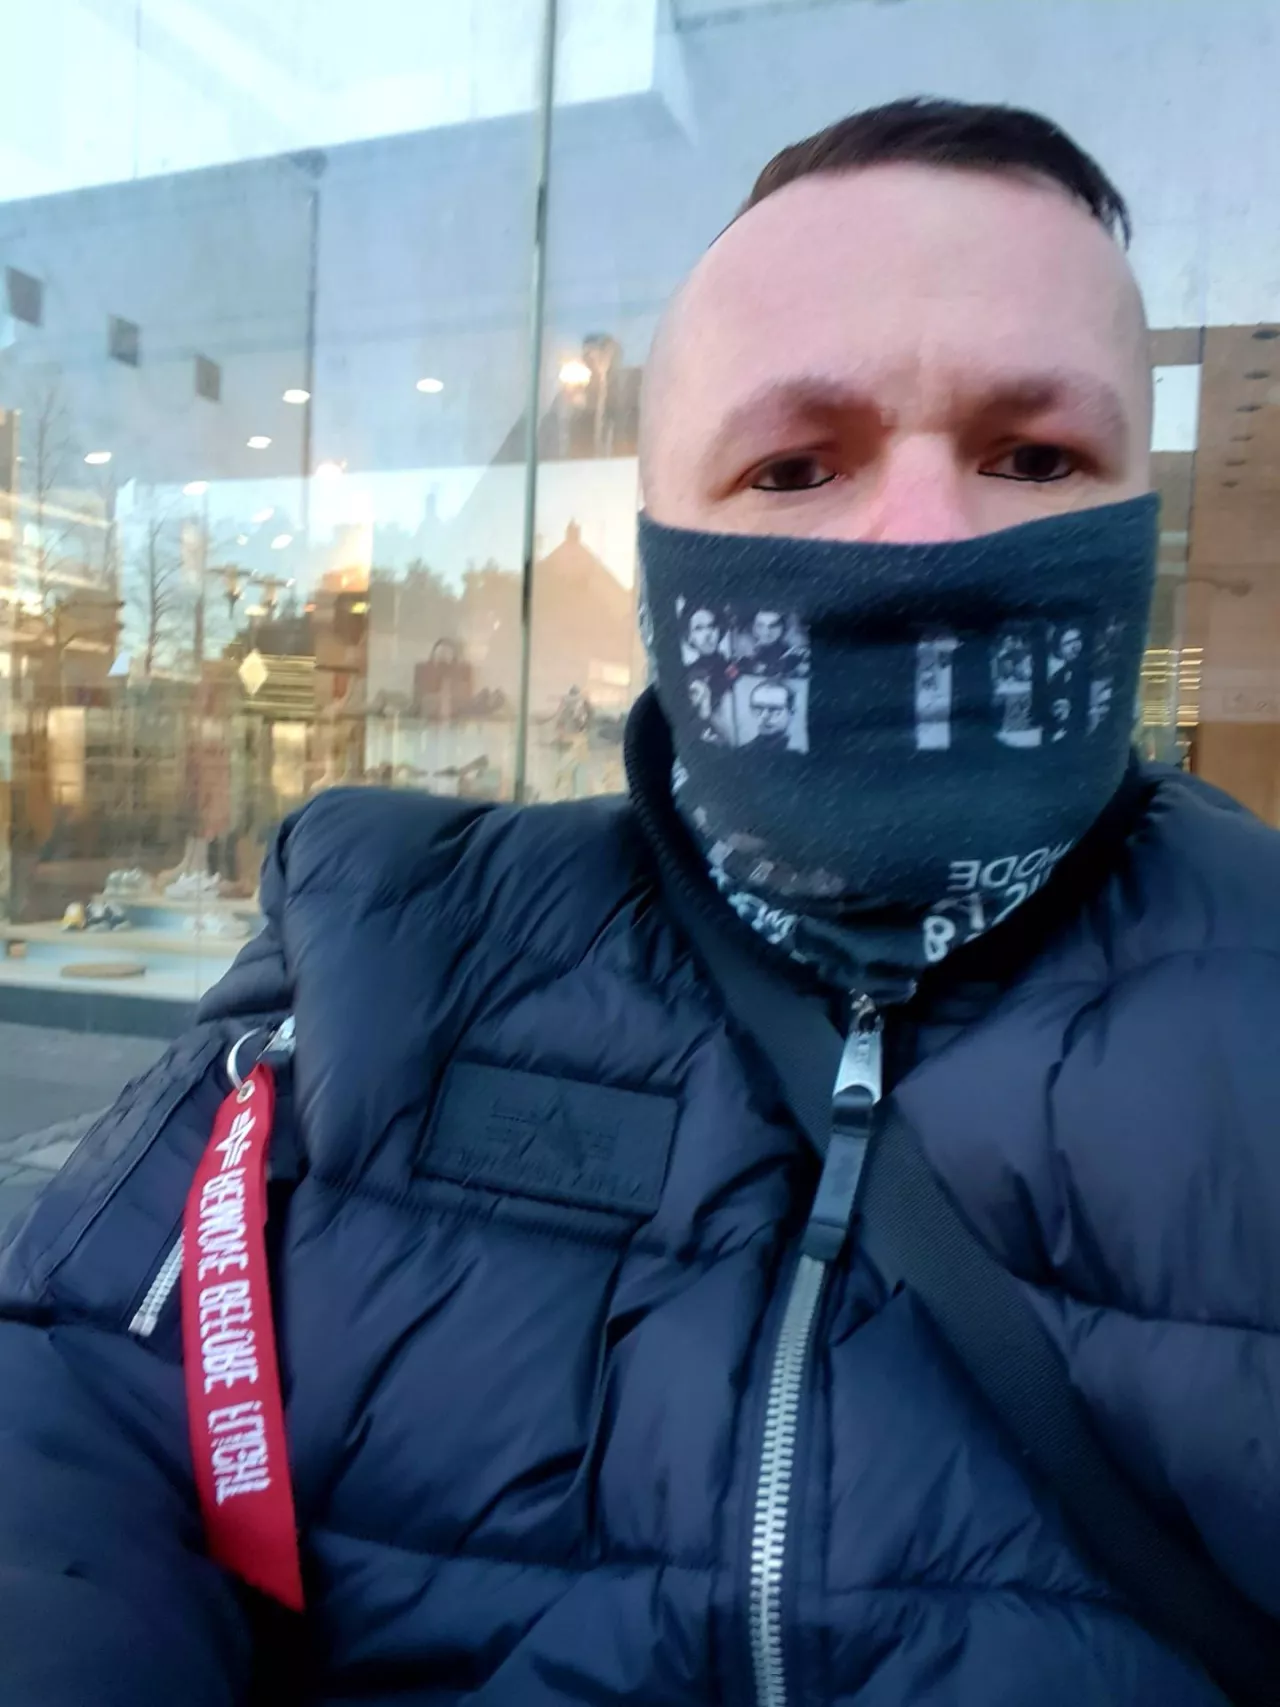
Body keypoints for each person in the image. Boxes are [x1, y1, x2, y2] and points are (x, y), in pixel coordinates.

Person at [2, 97, 1278, 1707]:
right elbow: (66, 1426)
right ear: (665, 550)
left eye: (1033, 457)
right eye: (795, 465)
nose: (924, 535)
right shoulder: (385, 942)